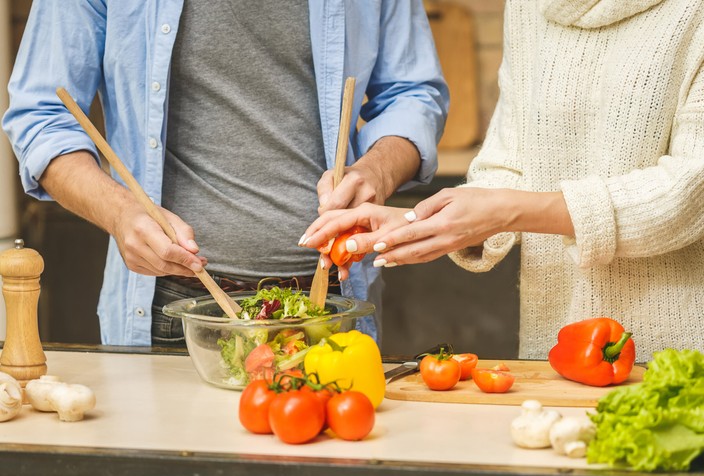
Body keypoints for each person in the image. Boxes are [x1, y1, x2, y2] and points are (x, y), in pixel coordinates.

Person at [2, 0, 448, 346]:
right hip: (171, 311)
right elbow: (41, 116)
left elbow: (412, 92)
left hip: (332, 305)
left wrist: (376, 171)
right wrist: (120, 213)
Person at [302, 0, 704, 363]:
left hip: (679, 350)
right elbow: (508, 158)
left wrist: (507, 211)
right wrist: (426, 222)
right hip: (556, 346)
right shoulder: (532, 7)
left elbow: (688, 193)